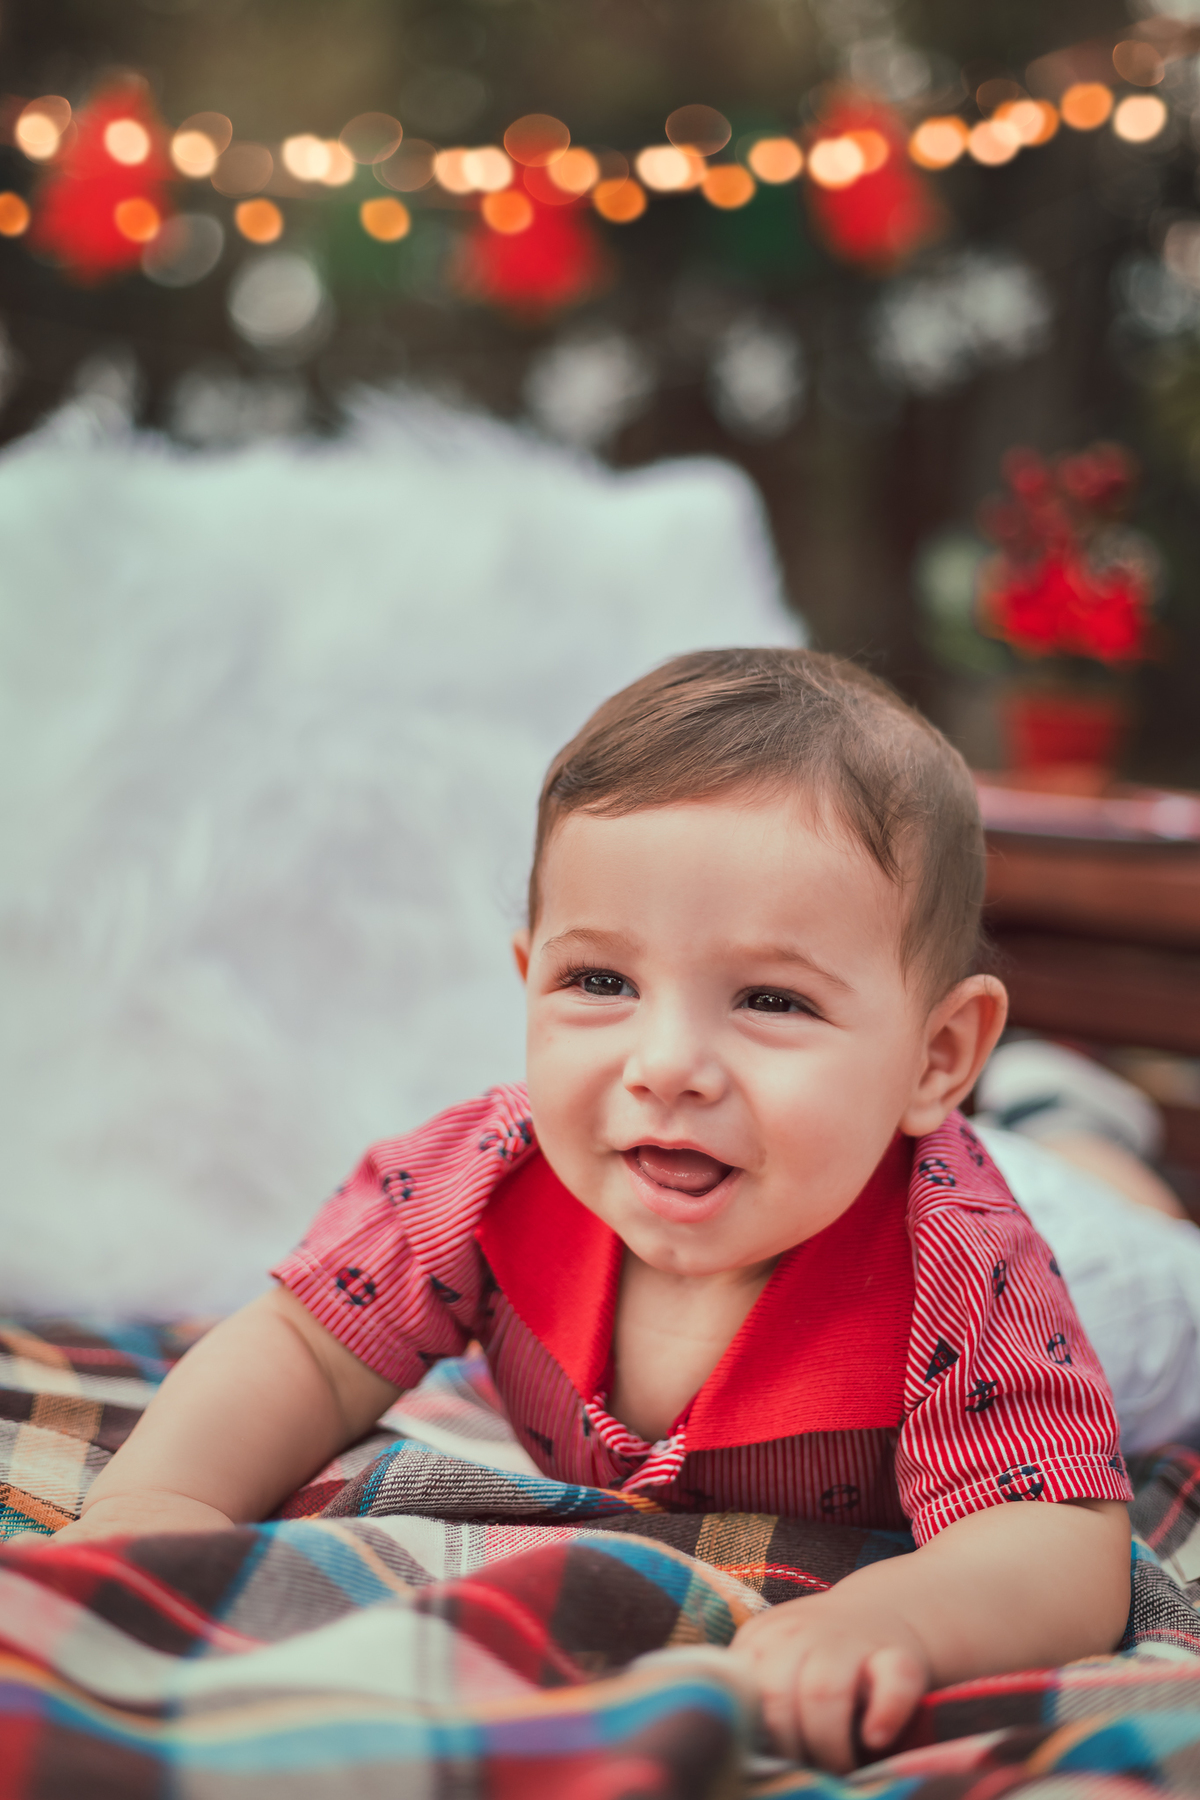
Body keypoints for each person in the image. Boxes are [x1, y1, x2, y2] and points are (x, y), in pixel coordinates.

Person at [46, 649, 1133, 1773]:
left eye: (771, 999)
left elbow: (1058, 1539)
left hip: (1100, 1280)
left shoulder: (962, 1262)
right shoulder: (482, 1173)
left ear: (935, 1054)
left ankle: (1077, 1122)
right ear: (528, 978)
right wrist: (163, 1495)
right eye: (600, 983)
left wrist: (896, 1615)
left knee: (1122, 1220)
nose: (665, 1066)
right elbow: (305, 1352)